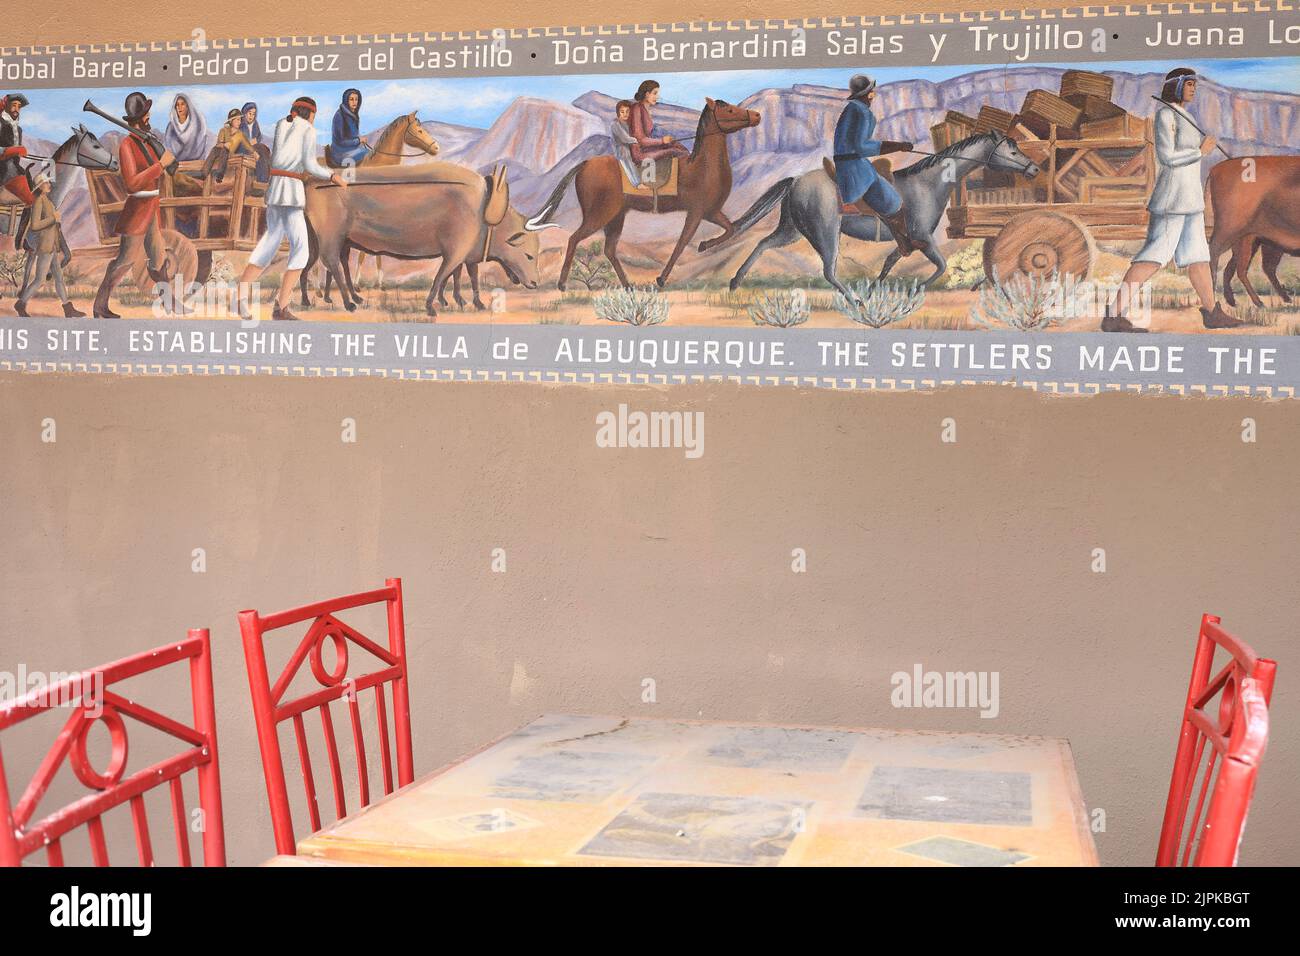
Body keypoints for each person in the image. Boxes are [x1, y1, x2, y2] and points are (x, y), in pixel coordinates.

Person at [1104, 68, 1241, 332]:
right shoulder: (1165, 115)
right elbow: (1167, 158)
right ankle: (1113, 315)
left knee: (1198, 258)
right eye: (1189, 84)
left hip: (1190, 201)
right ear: (1176, 86)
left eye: (1194, 85)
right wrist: (1200, 152)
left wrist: (1199, 152)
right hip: (1172, 201)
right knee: (1153, 256)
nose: (1193, 89)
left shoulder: (1185, 115)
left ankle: (1212, 312)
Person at [236, 96, 347, 321]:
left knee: (268, 245)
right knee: (301, 251)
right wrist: (332, 176)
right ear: (311, 114)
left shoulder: (281, 124)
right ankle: (281, 307)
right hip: (291, 194)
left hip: (275, 191)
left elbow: (286, 159)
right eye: (314, 116)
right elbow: (309, 164)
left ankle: (238, 299)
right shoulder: (307, 129)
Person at [91, 92, 176, 319]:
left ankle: (169, 303)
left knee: (159, 258)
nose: (149, 117)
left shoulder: (147, 143)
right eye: (146, 114)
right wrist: (160, 165)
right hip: (138, 209)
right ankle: (100, 306)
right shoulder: (128, 145)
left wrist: (164, 165)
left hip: (151, 206)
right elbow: (132, 183)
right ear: (139, 119)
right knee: (125, 260)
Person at [832, 74, 915, 254]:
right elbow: (861, 146)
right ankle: (905, 244)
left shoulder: (851, 109)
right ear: (866, 94)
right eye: (871, 93)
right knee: (895, 203)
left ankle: (903, 243)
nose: (873, 96)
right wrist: (897, 146)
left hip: (849, 165)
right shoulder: (861, 111)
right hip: (856, 170)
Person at [13, 172, 82, 317]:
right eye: (46, 183)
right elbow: (35, 225)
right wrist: (53, 219)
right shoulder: (38, 201)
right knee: (40, 279)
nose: (49, 185)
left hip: (52, 245)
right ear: (40, 186)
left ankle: (67, 308)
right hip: (45, 246)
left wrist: (55, 221)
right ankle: (21, 303)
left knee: (59, 278)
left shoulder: (47, 200)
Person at [628, 80, 689, 170]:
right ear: (647, 94)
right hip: (640, 154)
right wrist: (662, 141)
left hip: (647, 149)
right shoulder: (636, 108)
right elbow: (640, 140)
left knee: (677, 145)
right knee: (675, 151)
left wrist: (666, 141)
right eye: (655, 93)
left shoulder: (644, 109)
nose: (657, 97)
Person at [201, 108, 256, 183]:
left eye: (240, 120)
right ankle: (203, 174)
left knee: (225, 151)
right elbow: (218, 144)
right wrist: (224, 144)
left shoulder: (240, 134)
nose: (239, 122)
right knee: (215, 149)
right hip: (220, 151)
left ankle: (220, 175)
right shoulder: (223, 130)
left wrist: (254, 152)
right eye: (237, 120)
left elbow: (248, 146)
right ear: (231, 121)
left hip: (229, 153)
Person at [0, 93, 33, 206]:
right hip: (3, 168)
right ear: (7, 106)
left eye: (19, 107)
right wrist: (12, 151)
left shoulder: (18, 129)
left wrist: (19, 152)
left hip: (13, 167)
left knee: (29, 178)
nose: (16, 109)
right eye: (14, 105)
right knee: (29, 199)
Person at [162, 93, 209, 163]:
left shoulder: (197, 125)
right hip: (174, 163)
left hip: (194, 163)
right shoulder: (171, 127)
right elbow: (168, 147)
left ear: (188, 106)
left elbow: (199, 146)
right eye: (177, 105)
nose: (179, 107)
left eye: (182, 104)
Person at [331, 88, 369, 167]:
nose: (354, 102)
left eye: (356, 99)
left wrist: (359, 139)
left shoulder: (353, 115)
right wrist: (359, 140)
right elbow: (341, 141)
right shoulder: (339, 116)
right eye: (351, 99)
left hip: (352, 149)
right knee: (367, 153)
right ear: (346, 100)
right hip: (341, 154)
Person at [610, 99, 640, 184]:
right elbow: (625, 139)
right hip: (621, 149)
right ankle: (636, 183)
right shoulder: (615, 124)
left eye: (627, 111)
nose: (625, 114)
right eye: (622, 112)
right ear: (618, 113)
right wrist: (637, 140)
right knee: (626, 155)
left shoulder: (627, 123)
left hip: (630, 146)